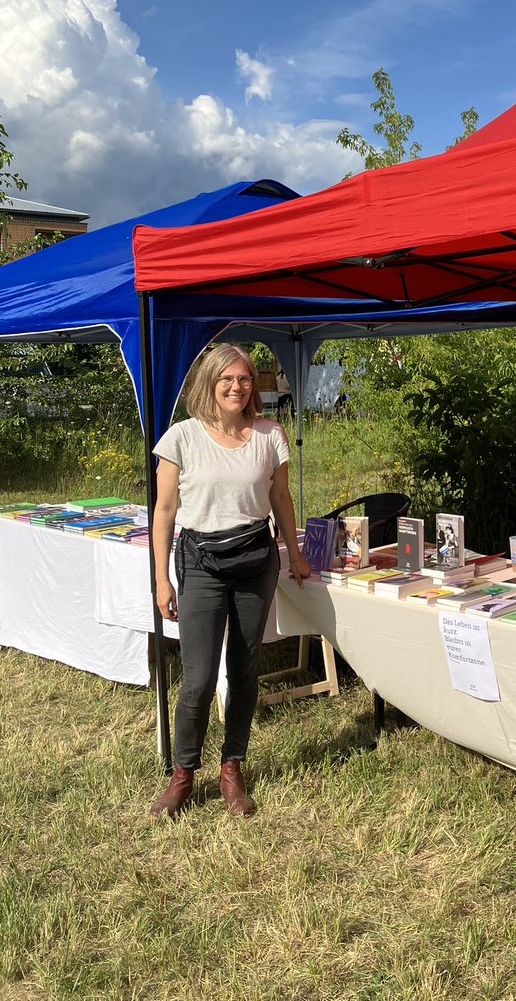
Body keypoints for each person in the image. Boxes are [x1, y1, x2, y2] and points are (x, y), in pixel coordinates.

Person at [150, 344, 310, 818]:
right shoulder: (181, 438)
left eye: (244, 379)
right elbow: (163, 512)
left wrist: (295, 556)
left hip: (256, 563)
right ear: (210, 383)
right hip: (200, 565)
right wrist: (161, 580)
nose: (237, 387)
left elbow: (281, 498)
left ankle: (232, 768)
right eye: (228, 379)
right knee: (197, 680)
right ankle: (182, 776)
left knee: (244, 672)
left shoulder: (270, 435)